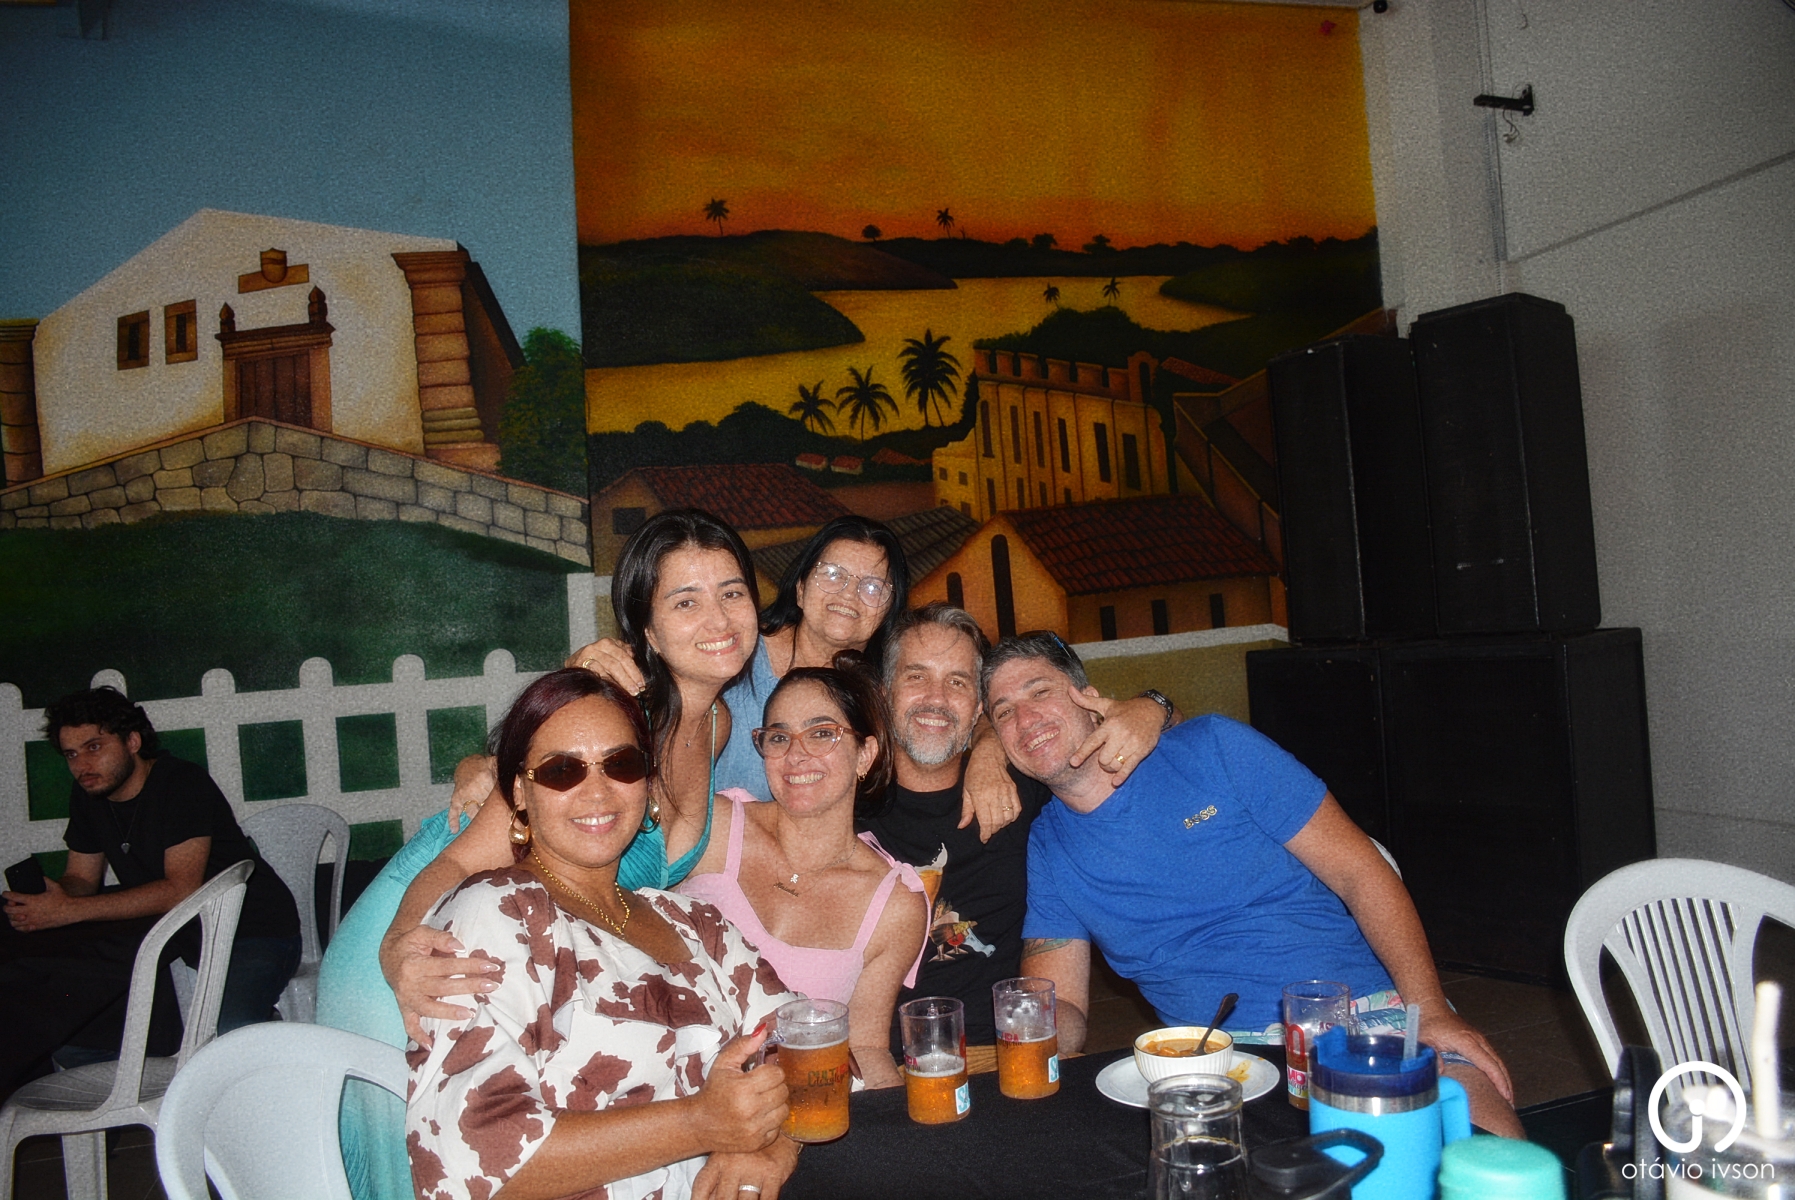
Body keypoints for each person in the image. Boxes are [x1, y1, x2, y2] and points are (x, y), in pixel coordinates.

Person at [983, 632, 1526, 1138]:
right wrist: (1027, 1032)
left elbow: (1361, 872)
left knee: (1487, 1158)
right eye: (1004, 712)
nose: (1025, 718)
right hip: (1217, 1062)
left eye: (1040, 692)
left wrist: (1428, 1009)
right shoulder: (1047, 847)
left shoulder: (1213, 748)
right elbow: (1063, 1003)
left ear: (1087, 696)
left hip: (1361, 1013)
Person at [408, 667, 800, 1200]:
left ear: (648, 784)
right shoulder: (496, 913)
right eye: (562, 770)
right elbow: (468, 1153)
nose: (597, 791)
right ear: (520, 793)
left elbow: (813, 1048)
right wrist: (701, 1124)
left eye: (621, 764)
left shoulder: (692, 922)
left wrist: (776, 1146)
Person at [861, 603, 1177, 1048]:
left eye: (958, 681)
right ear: (883, 692)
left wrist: (1154, 707)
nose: (936, 697)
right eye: (916, 676)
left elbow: (1143, 742)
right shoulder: (845, 808)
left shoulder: (1029, 784)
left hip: (1006, 1052)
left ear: (977, 708)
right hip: (876, 1058)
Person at [0, 687, 300, 1091]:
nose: (82, 765)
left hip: (253, 932)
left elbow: (180, 889)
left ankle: (267, 1055)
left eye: (93, 747)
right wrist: (55, 897)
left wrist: (69, 910)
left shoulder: (181, 783)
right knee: (70, 1026)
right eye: (71, 754)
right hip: (176, 933)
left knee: (230, 1036)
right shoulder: (90, 793)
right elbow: (82, 880)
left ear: (132, 741)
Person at [679, 664, 928, 1089]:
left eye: (821, 733)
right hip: (663, 1088)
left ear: (865, 754)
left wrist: (899, 1125)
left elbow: (866, 1048)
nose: (796, 755)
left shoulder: (894, 905)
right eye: (779, 737)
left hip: (789, 1110)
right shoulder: (713, 826)